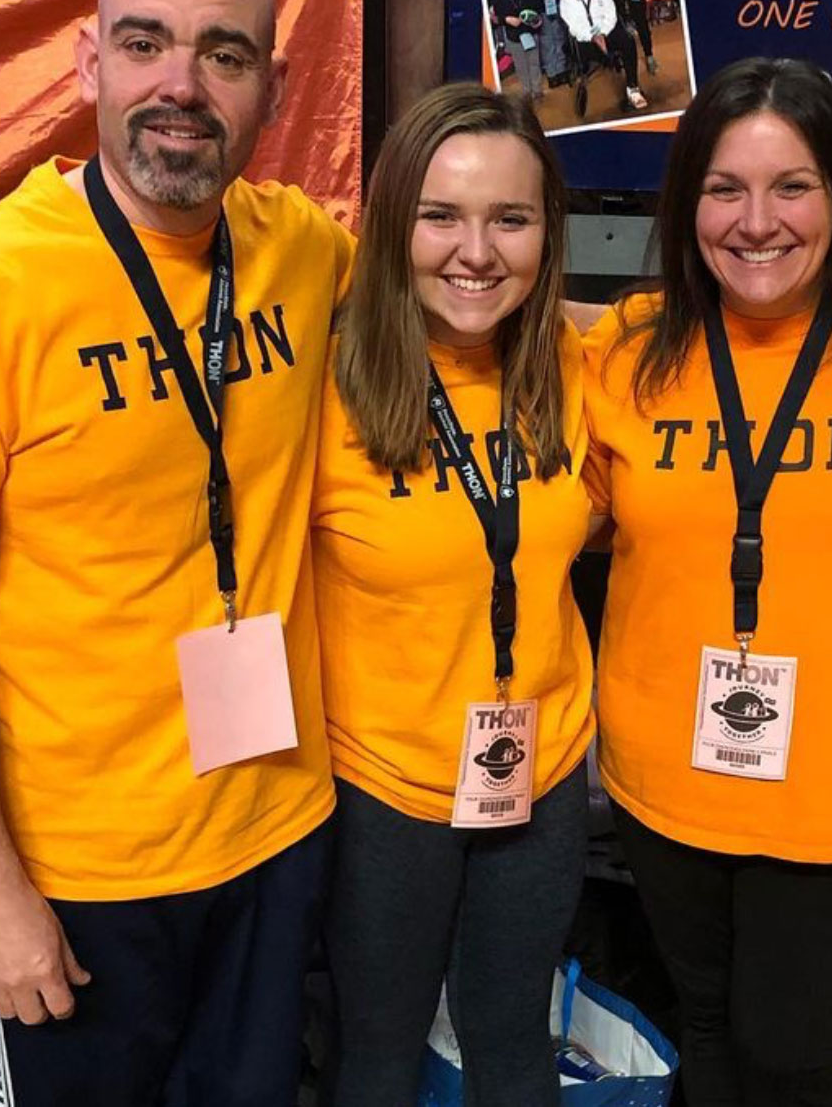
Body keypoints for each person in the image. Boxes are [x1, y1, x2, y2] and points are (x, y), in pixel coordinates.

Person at [0, 0, 356, 1106]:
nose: (181, 84)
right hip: (81, 875)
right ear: (87, 64)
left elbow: (474, 295)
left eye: (225, 55)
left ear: (275, 89)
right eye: (146, 43)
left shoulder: (306, 249)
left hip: (279, 829)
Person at [581, 57, 832, 1107]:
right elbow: (560, 518)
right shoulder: (630, 346)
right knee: (706, 1025)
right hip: (662, 774)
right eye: (724, 187)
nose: (756, 220)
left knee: (785, 1044)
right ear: (686, 200)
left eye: (792, 186)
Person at [315, 83, 596, 1106]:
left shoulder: (572, 362)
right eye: (442, 215)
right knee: (380, 1051)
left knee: (514, 1039)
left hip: (545, 766)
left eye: (509, 219)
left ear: (545, 233)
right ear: (394, 225)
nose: (476, 250)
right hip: (383, 788)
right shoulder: (323, 382)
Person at [557, 0, 647, 115]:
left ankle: (632, 88)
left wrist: (602, 33)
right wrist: (592, 37)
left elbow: (611, 16)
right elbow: (573, 26)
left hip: (606, 32)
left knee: (628, 40)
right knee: (580, 46)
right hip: (585, 40)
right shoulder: (566, 0)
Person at [488, 0, 545, 102]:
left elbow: (536, 8)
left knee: (534, 62)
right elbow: (494, 19)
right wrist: (506, 19)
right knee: (521, 66)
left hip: (530, 33)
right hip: (513, 37)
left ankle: (537, 90)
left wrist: (537, 20)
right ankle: (527, 91)